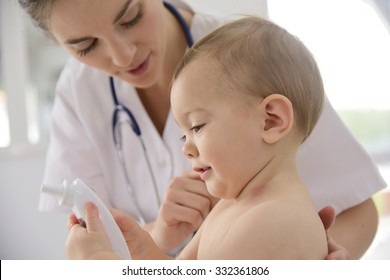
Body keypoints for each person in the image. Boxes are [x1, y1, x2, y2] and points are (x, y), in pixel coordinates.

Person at [19, 0, 386, 259]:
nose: (122, 54)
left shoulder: (253, 58)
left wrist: (314, 262)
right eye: (85, 46)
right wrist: (152, 241)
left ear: (271, 119)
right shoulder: (77, 92)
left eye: (130, 17)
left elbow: (358, 208)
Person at [66, 16, 333, 259]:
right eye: (184, 136)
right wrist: (143, 248)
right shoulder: (231, 207)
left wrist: (98, 262)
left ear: (271, 120)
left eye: (197, 126)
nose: (187, 149)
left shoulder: (270, 222)